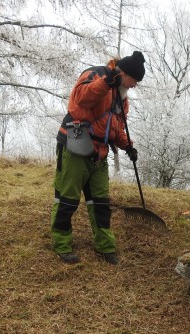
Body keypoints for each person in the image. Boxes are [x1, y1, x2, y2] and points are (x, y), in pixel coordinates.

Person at [51, 51, 146, 265]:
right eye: (134, 80)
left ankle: (105, 246)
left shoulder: (123, 99)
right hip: (75, 145)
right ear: (124, 73)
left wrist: (127, 146)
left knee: (101, 203)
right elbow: (79, 99)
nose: (135, 86)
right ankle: (62, 244)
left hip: (100, 153)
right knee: (67, 199)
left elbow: (117, 128)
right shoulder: (97, 75)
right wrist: (106, 83)